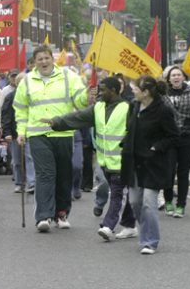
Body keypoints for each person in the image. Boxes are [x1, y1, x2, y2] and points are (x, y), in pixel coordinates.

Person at [45, 77, 137, 241]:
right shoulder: (98, 107)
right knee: (122, 194)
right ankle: (130, 225)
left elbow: (135, 132)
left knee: (117, 195)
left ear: (114, 90)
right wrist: (56, 122)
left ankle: (108, 226)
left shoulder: (127, 108)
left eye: (103, 90)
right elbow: (78, 117)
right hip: (105, 162)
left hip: (123, 163)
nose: (99, 93)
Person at [13, 45, 88, 232]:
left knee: (64, 174)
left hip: (63, 132)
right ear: (34, 62)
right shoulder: (27, 81)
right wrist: (21, 132)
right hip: (38, 134)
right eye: (40, 59)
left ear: (52, 59)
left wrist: (87, 96)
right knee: (46, 174)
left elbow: (80, 100)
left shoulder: (68, 76)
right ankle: (43, 216)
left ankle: (61, 214)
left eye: (47, 58)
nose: (44, 62)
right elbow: (21, 109)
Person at [122, 76, 179, 255]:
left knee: (148, 202)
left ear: (146, 92)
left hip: (154, 163)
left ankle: (150, 241)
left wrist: (156, 147)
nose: (133, 91)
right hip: (134, 161)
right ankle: (145, 230)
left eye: (136, 88)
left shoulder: (163, 110)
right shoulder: (134, 106)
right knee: (134, 202)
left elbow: (174, 136)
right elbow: (129, 129)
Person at [162, 66, 190, 218]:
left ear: (183, 77)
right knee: (169, 171)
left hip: (188, 136)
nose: (176, 77)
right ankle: (168, 201)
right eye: (173, 75)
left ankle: (181, 205)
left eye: (178, 75)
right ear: (169, 79)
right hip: (169, 137)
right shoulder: (163, 92)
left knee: (183, 173)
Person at [1, 72, 35, 194]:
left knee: (30, 158)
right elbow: (6, 116)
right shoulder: (10, 97)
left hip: (30, 132)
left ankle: (31, 183)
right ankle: (19, 183)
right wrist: (7, 132)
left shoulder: (33, 96)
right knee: (17, 161)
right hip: (15, 133)